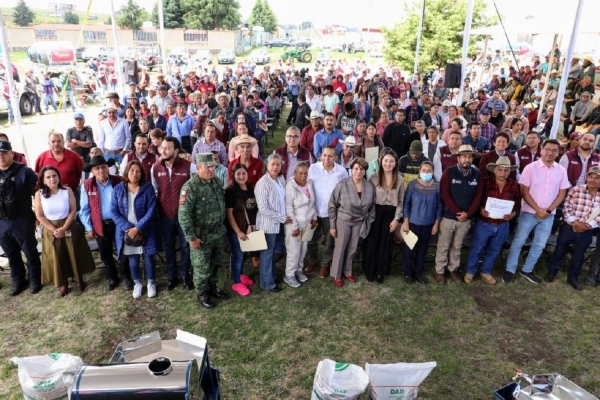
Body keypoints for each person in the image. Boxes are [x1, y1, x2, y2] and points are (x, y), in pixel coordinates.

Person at [504, 139, 570, 284]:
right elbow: (524, 192)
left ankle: (527, 269)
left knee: (540, 244)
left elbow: (561, 194)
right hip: (529, 212)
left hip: (548, 215)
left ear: (558, 153)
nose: (550, 152)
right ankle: (510, 269)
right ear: (541, 150)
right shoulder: (530, 168)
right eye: (547, 149)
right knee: (519, 241)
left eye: (554, 150)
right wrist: (538, 210)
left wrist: (547, 210)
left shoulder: (561, 170)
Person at [34, 166, 95, 296]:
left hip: (69, 226)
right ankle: (63, 282)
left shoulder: (67, 190)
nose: (52, 179)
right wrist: (55, 229)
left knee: (74, 252)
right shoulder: (39, 195)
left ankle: (79, 279)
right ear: (43, 180)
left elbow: (73, 210)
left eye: (54, 176)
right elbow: (39, 215)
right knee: (57, 255)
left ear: (59, 177)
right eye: (48, 177)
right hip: (51, 229)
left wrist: (64, 227)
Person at [180, 152, 229, 308]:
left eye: (213, 166)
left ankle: (213, 287)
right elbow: (184, 215)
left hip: (217, 233)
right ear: (198, 167)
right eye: (207, 167)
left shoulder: (216, 182)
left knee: (216, 263)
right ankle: (202, 293)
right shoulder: (190, 187)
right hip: (201, 237)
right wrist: (191, 238)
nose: (211, 170)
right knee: (202, 267)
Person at [150, 137, 197, 291]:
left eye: (167, 148)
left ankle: (185, 274)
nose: (163, 150)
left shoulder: (189, 167)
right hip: (164, 216)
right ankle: (172, 276)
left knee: (185, 246)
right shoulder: (155, 168)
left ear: (176, 151)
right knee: (168, 247)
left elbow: (195, 190)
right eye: (162, 147)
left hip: (184, 217)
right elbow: (155, 191)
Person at [464, 157, 520, 285]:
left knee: (494, 250)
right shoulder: (484, 182)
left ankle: (486, 271)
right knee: (477, 248)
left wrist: (513, 214)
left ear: (509, 171)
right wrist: (480, 209)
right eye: (500, 169)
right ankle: (470, 271)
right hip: (484, 223)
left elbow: (517, 205)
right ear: (494, 170)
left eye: (506, 170)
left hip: (502, 225)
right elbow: (475, 199)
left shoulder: (514, 186)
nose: (503, 173)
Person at [80, 155, 132, 290]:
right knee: (105, 253)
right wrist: (89, 227)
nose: (101, 170)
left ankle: (126, 275)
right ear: (92, 171)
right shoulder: (87, 185)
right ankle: (112, 277)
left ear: (108, 168)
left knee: (123, 250)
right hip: (100, 225)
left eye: (103, 167)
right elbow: (84, 210)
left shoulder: (118, 181)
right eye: (97, 168)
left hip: (119, 223)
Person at [111, 160, 161, 299]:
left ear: (142, 173)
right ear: (127, 171)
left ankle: (151, 282)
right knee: (133, 259)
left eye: (138, 171)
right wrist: (129, 229)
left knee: (148, 257)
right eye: (132, 170)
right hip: (126, 231)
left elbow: (152, 210)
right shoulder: (118, 189)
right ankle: (137, 284)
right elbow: (113, 212)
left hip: (145, 229)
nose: (135, 173)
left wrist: (138, 228)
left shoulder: (148, 188)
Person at [544, 166, 600, 290]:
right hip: (568, 228)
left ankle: (573, 277)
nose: (593, 180)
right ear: (586, 177)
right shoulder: (575, 190)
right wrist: (574, 223)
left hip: (587, 231)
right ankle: (552, 272)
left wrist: (588, 225)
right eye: (590, 177)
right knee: (559, 251)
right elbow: (567, 207)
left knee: (579, 256)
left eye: (597, 178)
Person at [435, 145, 483, 284]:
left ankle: (453, 269)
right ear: (458, 158)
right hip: (449, 217)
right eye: (464, 156)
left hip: (465, 219)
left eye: (469, 156)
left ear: (472, 159)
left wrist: (467, 214)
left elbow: (478, 196)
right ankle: (439, 271)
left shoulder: (477, 174)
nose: (467, 159)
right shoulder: (449, 172)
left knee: (457, 246)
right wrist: (457, 212)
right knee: (443, 246)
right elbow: (444, 194)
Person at [0, 141, 41, 295]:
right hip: (2, 222)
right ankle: (18, 280)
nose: (1, 156)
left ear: (11, 153)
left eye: (4, 152)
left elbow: (37, 195)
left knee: (29, 251)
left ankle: (35, 278)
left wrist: (38, 216)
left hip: (22, 219)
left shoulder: (25, 172)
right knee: (11, 253)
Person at [328, 157, 376, 287]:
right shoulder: (342, 185)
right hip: (344, 219)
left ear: (365, 171)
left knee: (352, 247)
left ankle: (347, 272)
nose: (358, 171)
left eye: (361, 169)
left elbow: (372, 206)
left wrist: (368, 221)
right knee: (340, 247)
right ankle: (336, 274)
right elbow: (332, 204)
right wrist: (332, 226)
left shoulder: (369, 186)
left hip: (359, 221)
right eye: (356, 168)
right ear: (351, 170)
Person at [363, 149, 405, 282]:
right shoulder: (373, 177)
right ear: (381, 161)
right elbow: (368, 198)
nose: (388, 163)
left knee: (385, 243)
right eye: (386, 160)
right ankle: (370, 270)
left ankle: (381, 271)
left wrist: (396, 219)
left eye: (391, 161)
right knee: (372, 242)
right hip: (376, 211)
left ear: (395, 163)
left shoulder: (399, 179)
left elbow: (400, 201)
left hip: (390, 213)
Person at [306, 145, 348, 276]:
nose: (327, 158)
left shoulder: (341, 172)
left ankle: (325, 264)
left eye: (330, 156)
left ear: (336, 157)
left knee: (330, 241)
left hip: (331, 213)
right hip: (313, 210)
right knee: (311, 239)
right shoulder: (313, 168)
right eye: (324, 155)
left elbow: (345, 192)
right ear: (321, 156)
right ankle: (312, 261)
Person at [255, 154, 290, 292]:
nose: (275, 167)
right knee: (267, 254)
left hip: (279, 223)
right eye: (272, 164)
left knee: (274, 252)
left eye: (278, 164)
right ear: (267, 166)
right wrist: (282, 218)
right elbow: (263, 209)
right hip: (268, 224)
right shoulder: (263, 183)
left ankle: (271, 276)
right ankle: (266, 283)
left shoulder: (281, 179)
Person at [402, 160, 441, 283]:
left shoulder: (437, 185)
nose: (426, 172)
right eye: (424, 170)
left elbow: (439, 206)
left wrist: (436, 223)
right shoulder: (412, 185)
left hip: (428, 224)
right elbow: (406, 205)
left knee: (422, 250)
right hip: (412, 223)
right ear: (419, 171)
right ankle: (407, 273)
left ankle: (418, 272)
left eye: (429, 171)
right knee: (409, 249)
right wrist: (406, 222)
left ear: (433, 171)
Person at [225, 163, 257, 296]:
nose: (241, 176)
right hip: (236, 229)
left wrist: (253, 225)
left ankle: (241, 274)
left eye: (244, 173)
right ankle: (236, 282)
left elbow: (252, 208)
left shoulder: (249, 187)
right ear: (233, 175)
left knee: (244, 253)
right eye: (238, 174)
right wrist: (238, 231)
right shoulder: (230, 190)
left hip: (248, 228)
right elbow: (229, 214)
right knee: (238, 255)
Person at [283, 162, 317, 288]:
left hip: (307, 222)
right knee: (294, 251)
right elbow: (289, 209)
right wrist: (295, 227)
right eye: (300, 173)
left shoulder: (309, 183)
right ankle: (289, 275)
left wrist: (314, 217)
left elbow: (313, 202)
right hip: (295, 224)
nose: (303, 176)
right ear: (295, 173)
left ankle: (299, 270)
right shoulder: (290, 186)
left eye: (305, 173)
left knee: (303, 249)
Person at [34, 133, 84, 206]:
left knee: (75, 215)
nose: (56, 144)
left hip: (71, 193)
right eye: (53, 141)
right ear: (49, 143)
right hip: (49, 195)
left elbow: (82, 173)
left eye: (59, 141)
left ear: (63, 142)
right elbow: (37, 175)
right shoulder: (41, 157)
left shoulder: (74, 156)